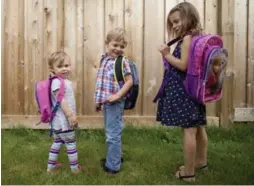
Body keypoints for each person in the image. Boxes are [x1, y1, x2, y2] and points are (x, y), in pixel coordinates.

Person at [156, 2, 208, 182]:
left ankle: (189, 173)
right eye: (172, 23)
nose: (175, 26)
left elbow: (184, 65)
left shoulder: (187, 38)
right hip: (195, 89)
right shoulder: (197, 36)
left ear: (189, 17)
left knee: (188, 130)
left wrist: (166, 54)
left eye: (177, 21)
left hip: (185, 90)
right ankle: (201, 161)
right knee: (198, 126)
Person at [94, 28, 133, 174]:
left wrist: (118, 95)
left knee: (112, 134)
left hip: (115, 103)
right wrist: (99, 101)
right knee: (112, 132)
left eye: (122, 46)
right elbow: (101, 83)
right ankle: (114, 157)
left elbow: (130, 81)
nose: (118, 49)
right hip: (107, 103)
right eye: (115, 45)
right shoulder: (104, 59)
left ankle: (113, 166)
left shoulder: (122, 62)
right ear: (107, 43)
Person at [47, 51, 82, 174]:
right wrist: (70, 116)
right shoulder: (57, 82)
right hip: (63, 121)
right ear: (52, 68)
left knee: (57, 142)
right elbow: (60, 100)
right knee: (71, 143)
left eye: (67, 66)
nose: (64, 69)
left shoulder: (61, 81)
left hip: (57, 122)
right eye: (60, 66)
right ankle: (74, 169)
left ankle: (51, 168)